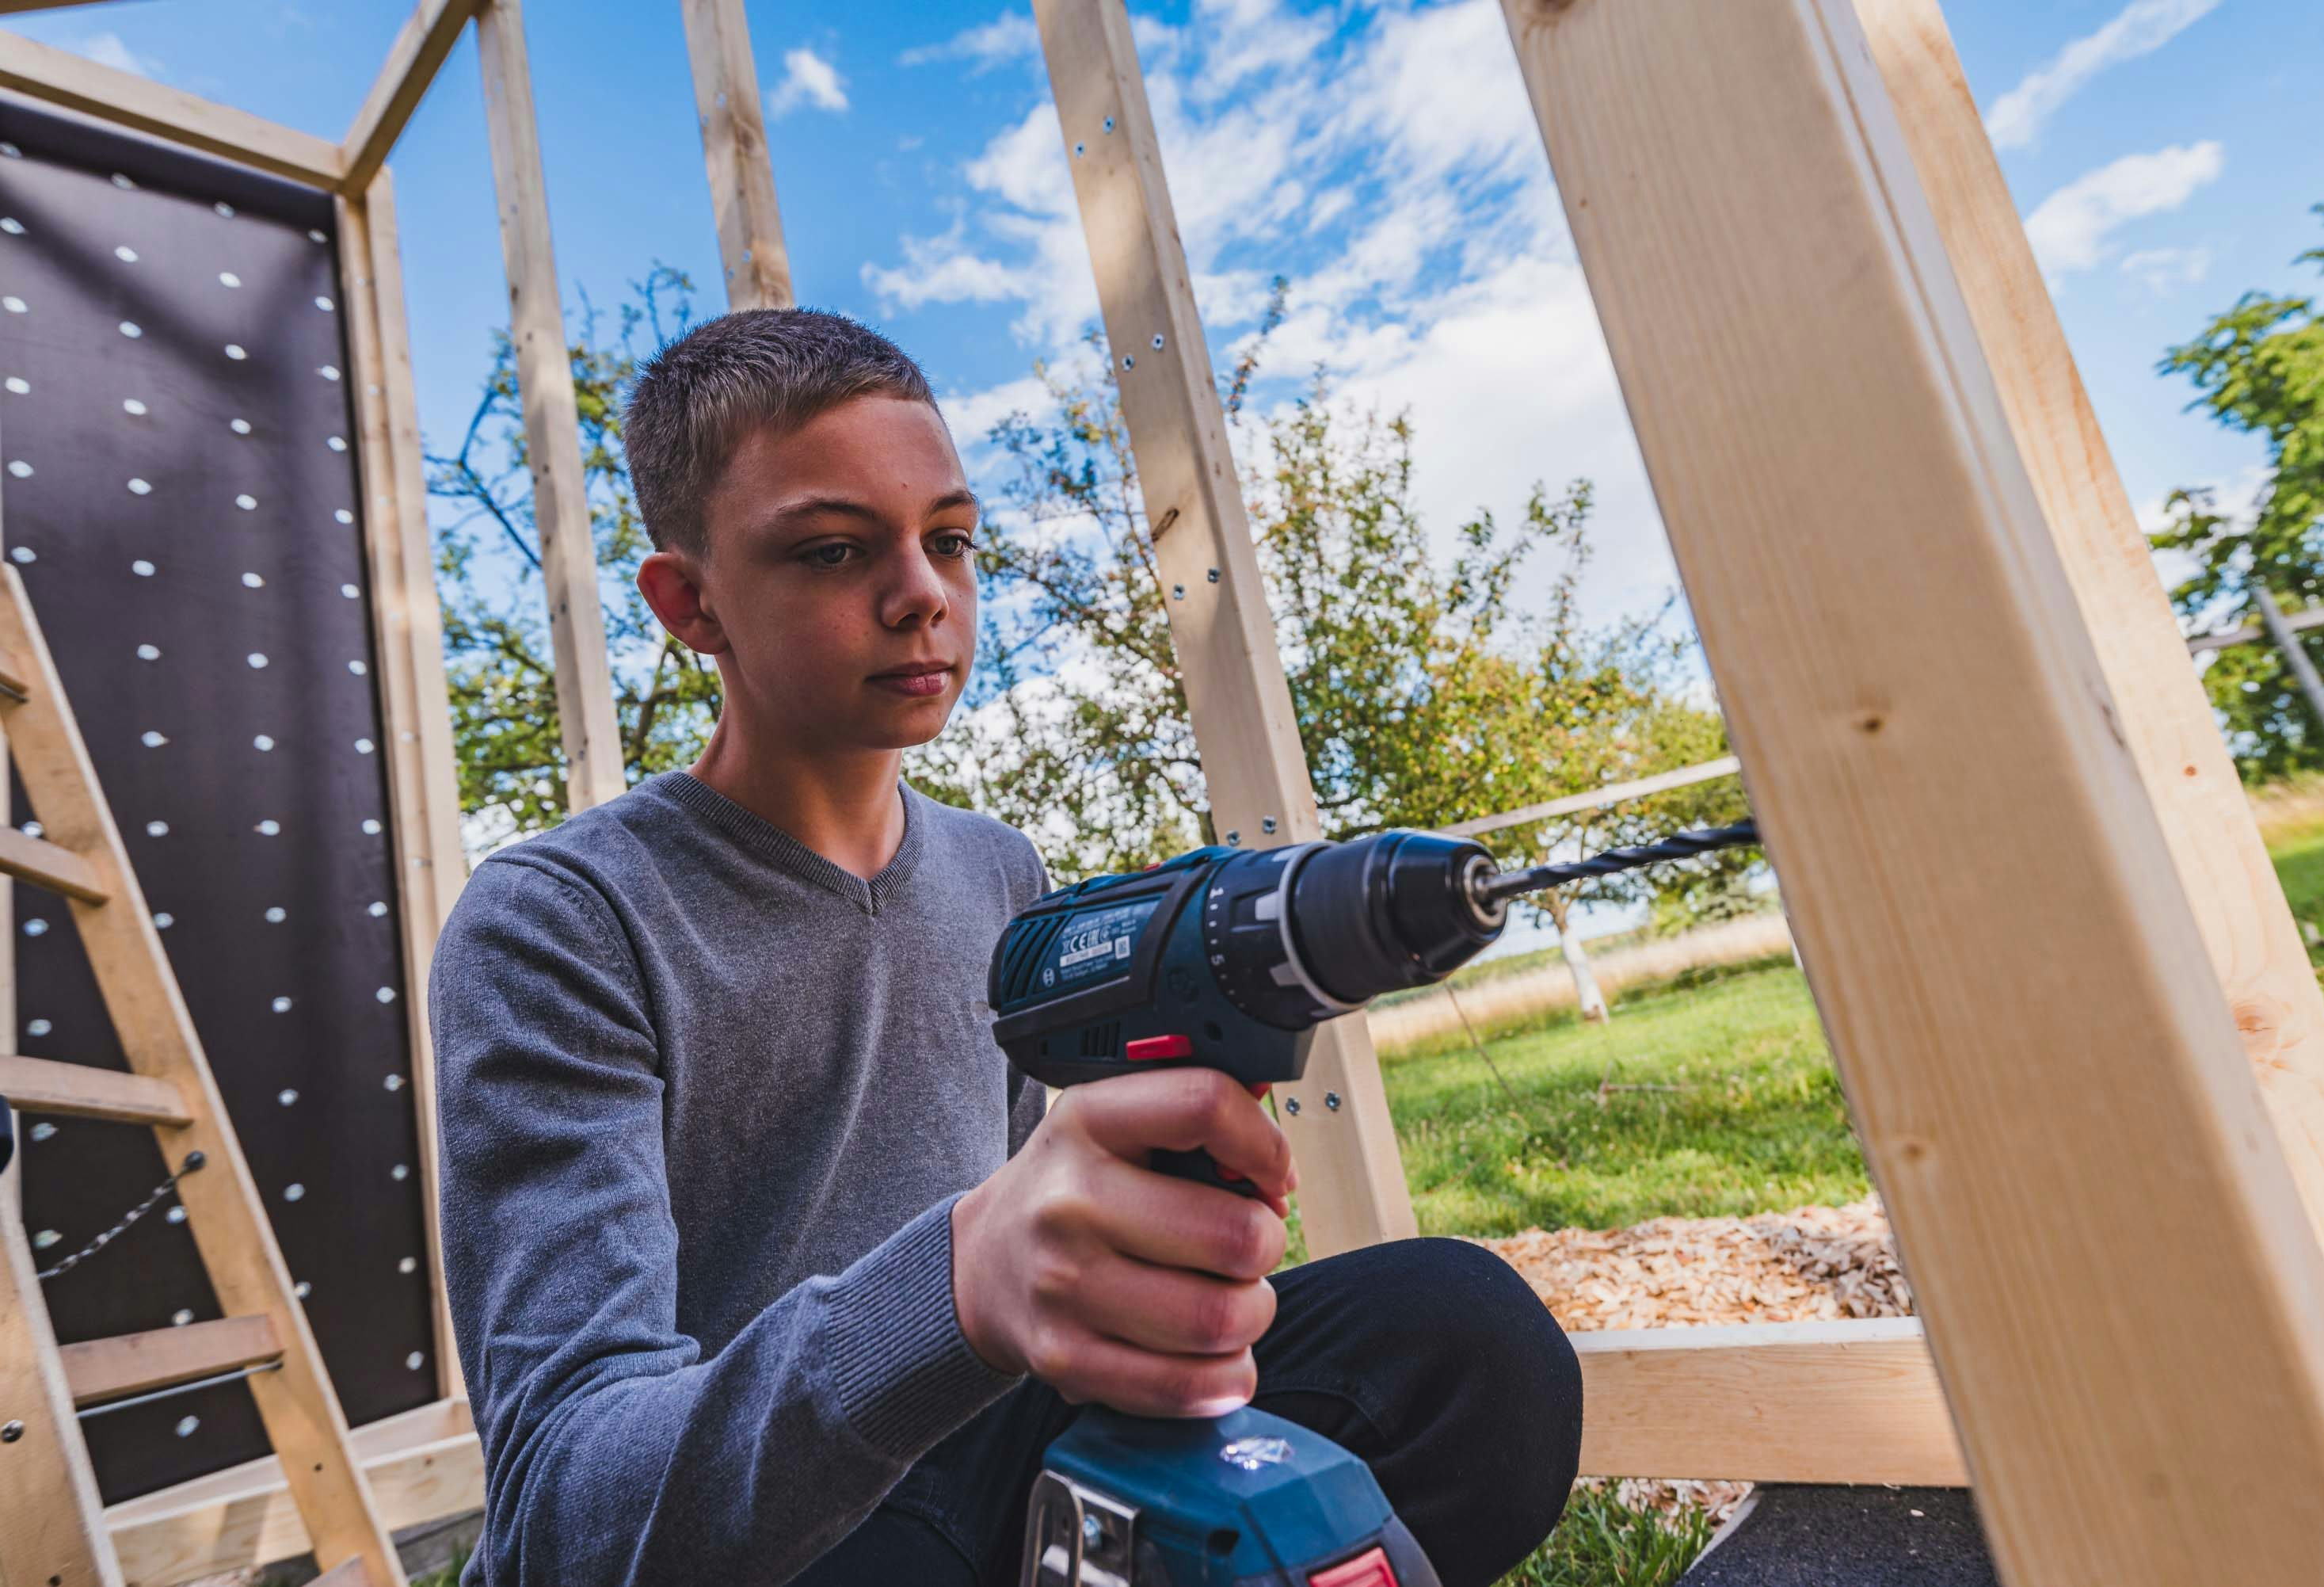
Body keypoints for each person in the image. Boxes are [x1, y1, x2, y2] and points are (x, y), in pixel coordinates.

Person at [429, 307, 1581, 1587]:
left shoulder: (1002, 874)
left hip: (999, 1446)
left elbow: (1054, 1210)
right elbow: (559, 1512)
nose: (924, 591)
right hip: (764, 1540)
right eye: (831, 549)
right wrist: (963, 1285)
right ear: (690, 604)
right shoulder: (560, 918)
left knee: (1468, 1345)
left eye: (952, 540)